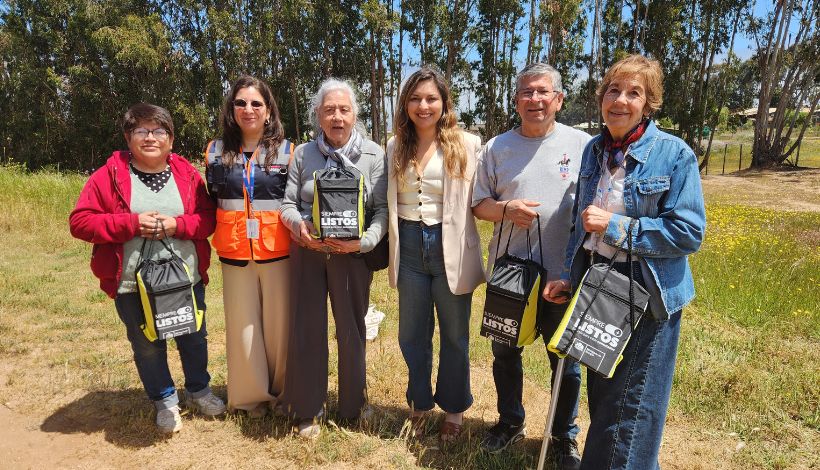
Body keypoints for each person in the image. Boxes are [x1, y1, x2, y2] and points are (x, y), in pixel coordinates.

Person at [543, 54, 706, 469]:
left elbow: (688, 233)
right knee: (603, 397)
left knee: (631, 411)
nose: (620, 100)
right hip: (597, 284)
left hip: (645, 291)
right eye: (613, 90)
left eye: (634, 92)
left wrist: (617, 226)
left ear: (648, 104)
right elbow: (581, 226)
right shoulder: (594, 150)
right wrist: (569, 276)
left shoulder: (674, 154)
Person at [69, 103, 225, 434]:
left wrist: (176, 224)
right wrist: (131, 224)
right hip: (132, 283)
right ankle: (165, 400)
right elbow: (80, 222)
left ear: (170, 138)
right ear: (129, 137)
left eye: (159, 131)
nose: (150, 137)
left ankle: (199, 390)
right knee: (147, 344)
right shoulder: (108, 176)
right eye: (141, 130)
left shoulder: (186, 174)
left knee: (194, 337)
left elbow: (208, 218)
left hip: (184, 278)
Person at [472, 63, 590, 468]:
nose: (535, 100)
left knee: (566, 362)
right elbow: (478, 205)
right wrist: (506, 209)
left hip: (563, 276)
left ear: (559, 99)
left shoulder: (583, 146)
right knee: (505, 353)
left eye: (543, 92)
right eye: (526, 92)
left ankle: (563, 437)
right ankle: (510, 422)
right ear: (516, 100)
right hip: (510, 278)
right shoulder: (496, 148)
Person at [279, 78, 387, 439]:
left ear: (355, 113)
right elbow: (287, 204)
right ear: (318, 115)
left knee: (352, 331)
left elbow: (382, 210)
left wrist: (365, 243)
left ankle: (353, 405)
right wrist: (299, 226)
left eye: (344, 109)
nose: (337, 117)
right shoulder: (302, 154)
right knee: (308, 329)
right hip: (309, 254)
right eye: (329, 110)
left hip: (352, 259)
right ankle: (308, 408)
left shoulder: (374, 154)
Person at [386, 66, 485, 442]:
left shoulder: (468, 144)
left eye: (431, 98)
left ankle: (455, 410)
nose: (423, 106)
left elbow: (482, 197)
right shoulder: (395, 145)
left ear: (444, 102)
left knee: (455, 334)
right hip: (409, 245)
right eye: (415, 98)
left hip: (451, 246)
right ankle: (419, 404)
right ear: (405, 104)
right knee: (412, 333)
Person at [204, 76, 295, 418]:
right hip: (234, 252)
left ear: (269, 111)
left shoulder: (288, 152)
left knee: (279, 327)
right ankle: (250, 398)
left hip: (278, 251)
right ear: (231, 110)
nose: (248, 109)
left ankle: (285, 393)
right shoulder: (214, 151)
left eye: (256, 103)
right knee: (243, 327)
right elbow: (211, 199)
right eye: (240, 103)